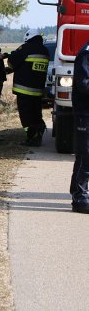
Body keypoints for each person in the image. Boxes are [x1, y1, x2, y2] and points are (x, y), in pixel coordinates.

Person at [7, 29, 49, 146]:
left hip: (24, 89)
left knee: (26, 115)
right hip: (38, 91)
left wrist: (10, 56)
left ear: (28, 37)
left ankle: (31, 137)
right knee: (36, 113)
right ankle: (38, 131)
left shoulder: (25, 48)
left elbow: (12, 62)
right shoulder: (45, 50)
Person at [70, 40, 89, 213]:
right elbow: (84, 84)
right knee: (85, 156)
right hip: (85, 114)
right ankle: (80, 198)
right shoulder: (86, 53)